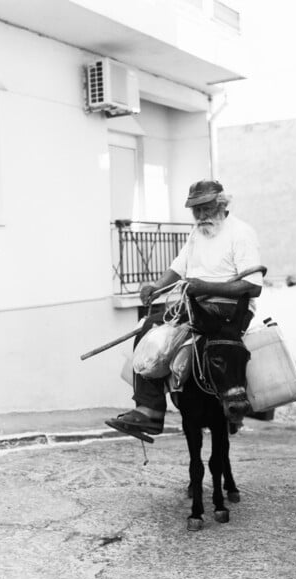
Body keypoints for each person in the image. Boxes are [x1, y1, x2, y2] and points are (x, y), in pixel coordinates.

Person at [106, 179, 263, 442]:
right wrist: (155, 287)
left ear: (221, 204)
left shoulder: (241, 233)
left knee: (155, 333)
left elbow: (253, 286)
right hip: (198, 306)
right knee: (147, 327)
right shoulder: (196, 234)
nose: (201, 215)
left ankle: (156, 409)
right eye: (196, 210)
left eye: (206, 208)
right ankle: (150, 411)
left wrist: (205, 285)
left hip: (230, 311)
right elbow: (178, 268)